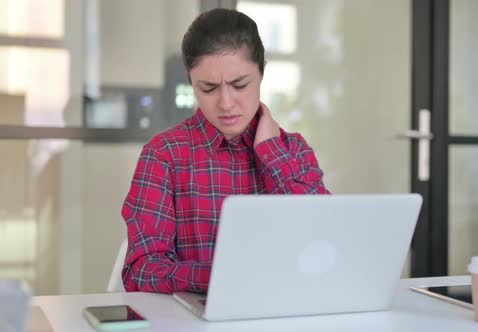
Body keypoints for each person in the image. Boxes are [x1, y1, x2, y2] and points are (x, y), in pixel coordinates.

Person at [121, 8, 329, 294]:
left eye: (239, 85)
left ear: (262, 72)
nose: (226, 103)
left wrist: (270, 152)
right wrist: (225, 276)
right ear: (191, 81)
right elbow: (141, 270)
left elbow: (324, 242)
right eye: (208, 88)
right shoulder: (164, 154)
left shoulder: (293, 150)